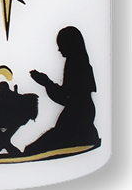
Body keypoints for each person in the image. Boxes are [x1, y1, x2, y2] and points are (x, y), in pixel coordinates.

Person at [25, 26, 100, 155]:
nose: (59, 49)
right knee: (33, 149)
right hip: (79, 115)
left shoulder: (75, 65)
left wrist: (46, 83)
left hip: (77, 119)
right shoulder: (78, 63)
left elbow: (67, 98)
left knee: (32, 150)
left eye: (61, 45)